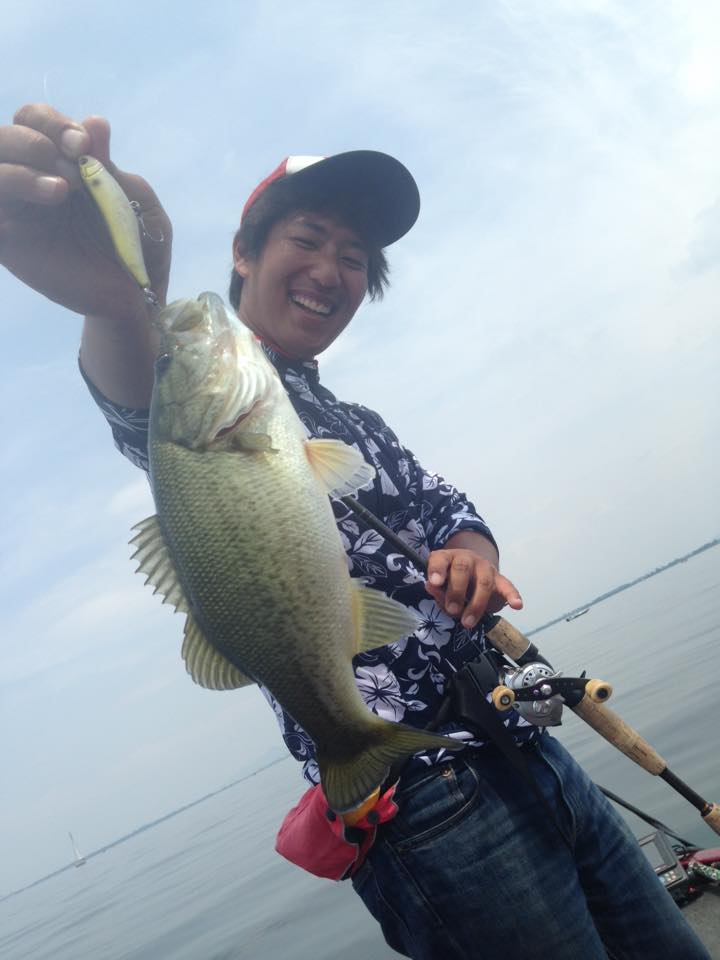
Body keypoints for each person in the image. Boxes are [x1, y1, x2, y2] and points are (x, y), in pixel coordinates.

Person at [0, 104, 710, 960]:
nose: (330, 269)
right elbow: (134, 394)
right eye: (308, 238)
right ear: (244, 252)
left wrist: (472, 556)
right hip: (428, 801)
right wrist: (119, 306)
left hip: (525, 745)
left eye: (355, 257)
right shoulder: (187, 407)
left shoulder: (352, 418)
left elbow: (447, 505)